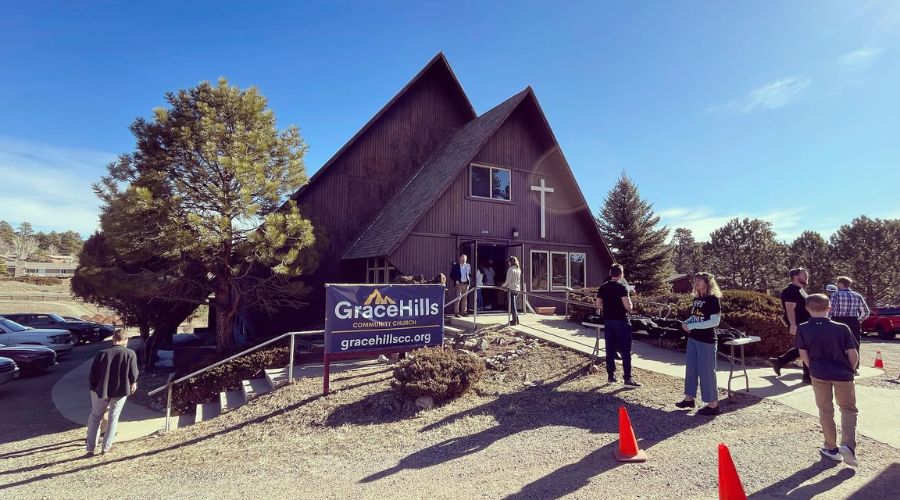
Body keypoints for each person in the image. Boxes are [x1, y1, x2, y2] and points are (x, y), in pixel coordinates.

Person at [796, 293, 860, 466]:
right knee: (848, 409)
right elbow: (853, 354)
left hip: (819, 373)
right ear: (829, 309)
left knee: (825, 410)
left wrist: (812, 369)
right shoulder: (842, 328)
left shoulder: (802, 328)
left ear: (807, 309)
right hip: (842, 374)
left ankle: (831, 447)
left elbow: (803, 353)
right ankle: (848, 446)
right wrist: (851, 369)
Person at [675, 272, 723, 415]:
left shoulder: (713, 299)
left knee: (706, 372)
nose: (696, 282)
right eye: (695, 280)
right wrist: (687, 322)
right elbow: (695, 316)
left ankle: (713, 404)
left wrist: (694, 326)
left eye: (700, 280)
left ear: (707, 282)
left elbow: (715, 321)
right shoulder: (697, 299)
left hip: (706, 341)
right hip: (693, 339)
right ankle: (689, 398)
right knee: (691, 369)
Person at [86, 329, 139, 455]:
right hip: (120, 391)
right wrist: (133, 382)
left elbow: (93, 373)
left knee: (95, 417)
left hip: (100, 390)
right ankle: (106, 448)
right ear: (126, 340)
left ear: (113, 338)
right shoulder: (130, 354)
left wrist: (93, 387)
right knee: (113, 418)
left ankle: (90, 449)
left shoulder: (102, 353)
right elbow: (134, 374)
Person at [595, 264, 640, 387]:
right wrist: (630, 301)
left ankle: (611, 376)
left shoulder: (603, 287)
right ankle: (627, 378)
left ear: (611, 273)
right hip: (621, 320)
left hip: (608, 320)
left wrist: (609, 307)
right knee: (625, 351)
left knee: (610, 349)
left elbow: (598, 304)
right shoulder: (622, 287)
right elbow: (628, 306)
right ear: (621, 274)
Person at [770, 268, 812, 384]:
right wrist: (793, 325)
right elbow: (790, 308)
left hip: (806, 324)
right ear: (795, 276)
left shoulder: (800, 290)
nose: (807, 276)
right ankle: (807, 377)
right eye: (804, 274)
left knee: (804, 348)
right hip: (799, 324)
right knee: (806, 349)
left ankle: (779, 361)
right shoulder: (790, 291)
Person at [829, 276, 870, 367]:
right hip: (853, 320)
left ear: (840, 284)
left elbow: (830, 309)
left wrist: (828, 320)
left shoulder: (835, 295)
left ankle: (839, 365)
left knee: (837, 343)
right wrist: (859, 320)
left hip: (838, 320)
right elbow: (866, 311)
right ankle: (854, 367)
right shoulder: (857, 295)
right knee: (854, 343)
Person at [501, 256, 521, 325]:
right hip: (517, 289)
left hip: (511, 289)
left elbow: (508, 281)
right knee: (514, 305)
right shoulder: (518, 269)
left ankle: (514, 320)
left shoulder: (510, 270)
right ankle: (517, 319)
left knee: (512, 306)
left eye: (509, 262)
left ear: (510, 262)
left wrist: (502, 286)